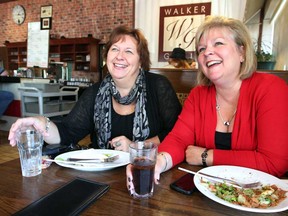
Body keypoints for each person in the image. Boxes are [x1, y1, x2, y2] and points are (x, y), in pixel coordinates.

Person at [126, 15, 288, 195]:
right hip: (210, 194)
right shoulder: (198, 95)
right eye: (201, 49)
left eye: (218, 43)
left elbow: (274, 163)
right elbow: (179, 140)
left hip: (259, 198)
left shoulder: (271, 89)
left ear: (241, 52)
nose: (207, 52)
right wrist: (158, 162)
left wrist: (206, 156)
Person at [8, 25, 182, 152]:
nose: (120, 56)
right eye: (114, 49)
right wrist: (41, 123)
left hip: (147, 172)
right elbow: (68, 132)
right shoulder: (95, 92)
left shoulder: (158, 86)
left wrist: (137, 147)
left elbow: (177, 133)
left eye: (129, 51)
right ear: (107, 57)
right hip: (103, 175)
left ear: (141, 61)